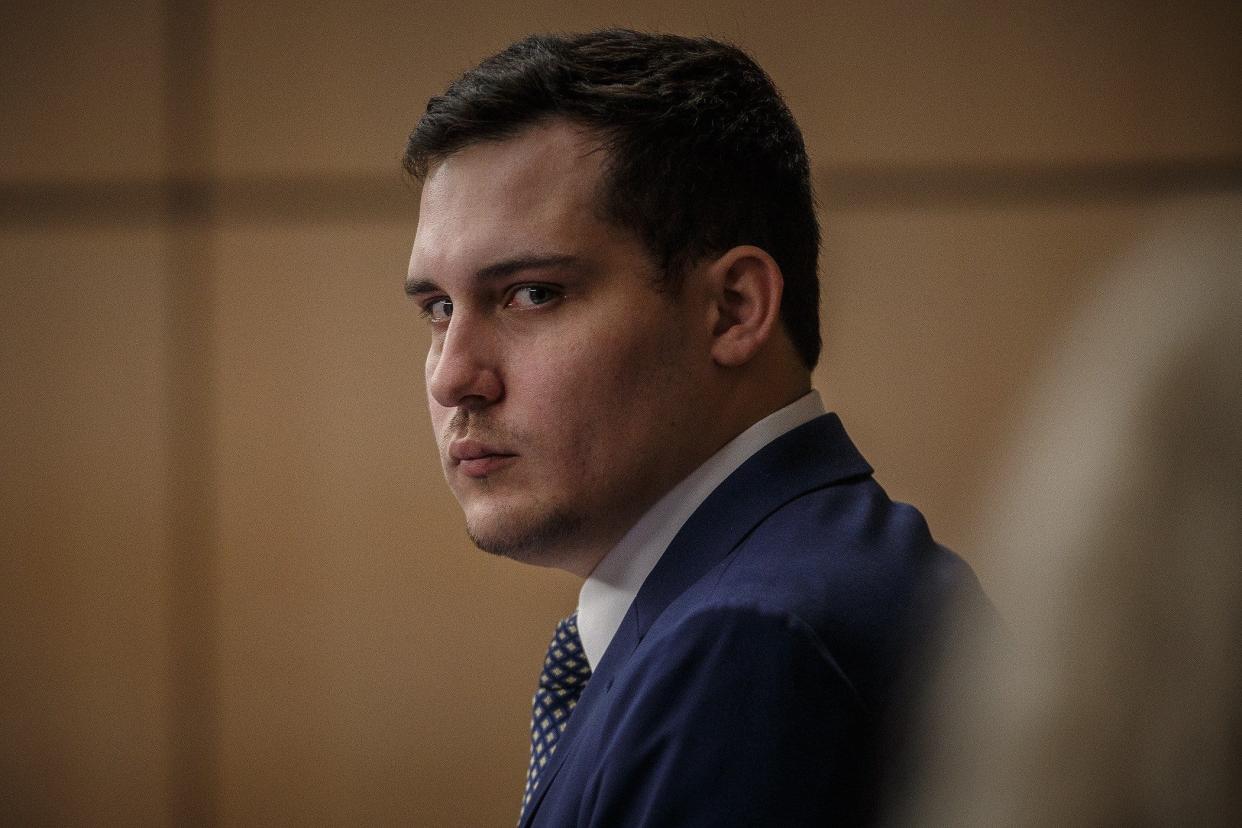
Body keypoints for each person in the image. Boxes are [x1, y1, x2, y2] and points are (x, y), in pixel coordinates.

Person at [403, 29, 986, 826]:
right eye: (438, 308)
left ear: (734, 308)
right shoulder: (819, 568)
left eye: (532, 294)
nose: (451, 375)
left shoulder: (746, 645)